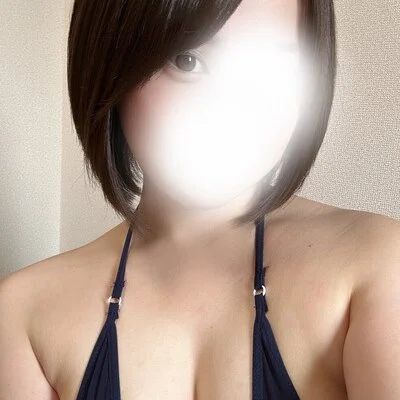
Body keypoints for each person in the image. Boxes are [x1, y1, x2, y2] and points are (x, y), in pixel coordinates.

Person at [1, 0, 400, 399]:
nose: (234, 108)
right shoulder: (25, 314)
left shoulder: (375, 267)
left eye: (272, 67)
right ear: (110, 62)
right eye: (187, 61)